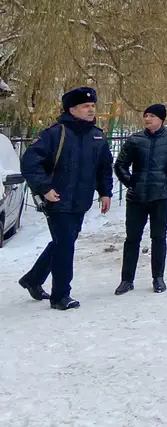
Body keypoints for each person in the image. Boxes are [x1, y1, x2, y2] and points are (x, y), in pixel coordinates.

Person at [16, 87, 114, 310]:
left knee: (63, 243)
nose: (91, 110)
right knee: (65, 246)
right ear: (72, 109)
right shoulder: (55, 133)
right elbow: (30, 162)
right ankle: (60, 296)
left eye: (92, 106)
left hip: (81, 201)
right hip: (58, 200)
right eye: (85, 106)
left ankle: (32, 279)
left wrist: (105, 192)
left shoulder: (97, 136)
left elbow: (104, 167)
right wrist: (45, 188)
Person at [113, 104, 167, 295]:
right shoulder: (135, 140)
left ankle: (158, 278)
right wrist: (130, 182)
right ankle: (127, 280)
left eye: (151, 116)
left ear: (161, 119)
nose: (147, 119)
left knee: (158, 237)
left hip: (160, 196)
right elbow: (120, 165)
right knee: (132, 239)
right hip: (136, 197)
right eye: (145, 115)